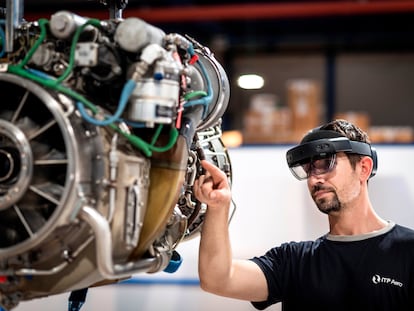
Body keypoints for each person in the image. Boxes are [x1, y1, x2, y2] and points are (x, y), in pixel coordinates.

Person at [193, 119, 414, 310]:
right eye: (308, 170)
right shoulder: (294, 261)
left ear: (364, 168)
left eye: (326, 163)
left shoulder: (408, 251)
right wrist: (218, 207)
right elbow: (218, 279)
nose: (314, 179)